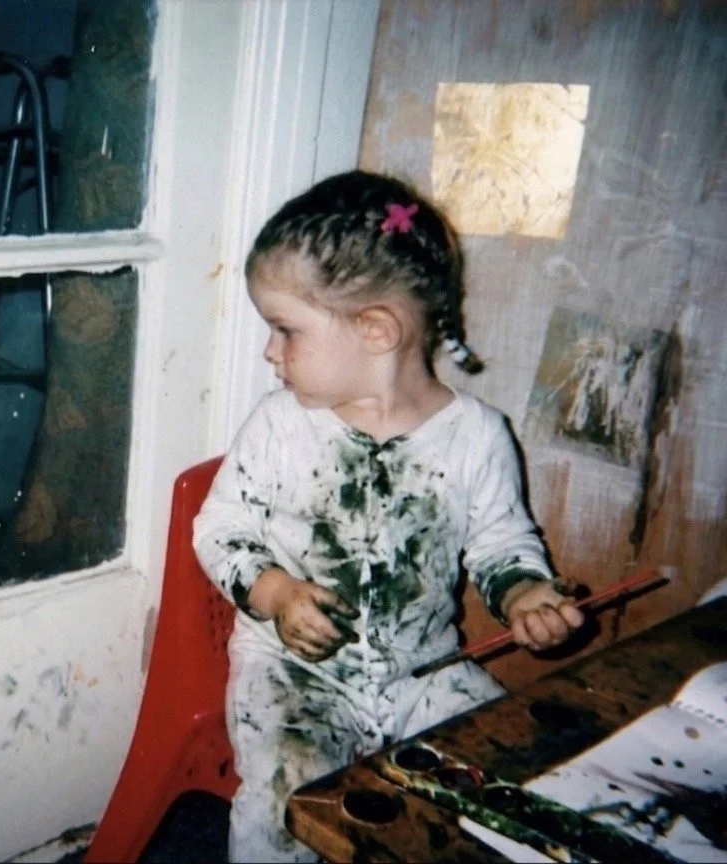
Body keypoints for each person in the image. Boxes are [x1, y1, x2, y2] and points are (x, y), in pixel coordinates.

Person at [192, 170, 585, 862]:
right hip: (294, 673)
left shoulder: (477, 436)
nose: (270, 352)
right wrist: (277, 594)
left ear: (375, 329)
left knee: (514, 781)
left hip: (425, 671)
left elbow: (500, 542)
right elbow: (220, 529)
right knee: (286, 804)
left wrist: (525, 594)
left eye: (285, 330)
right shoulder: (280, 425)